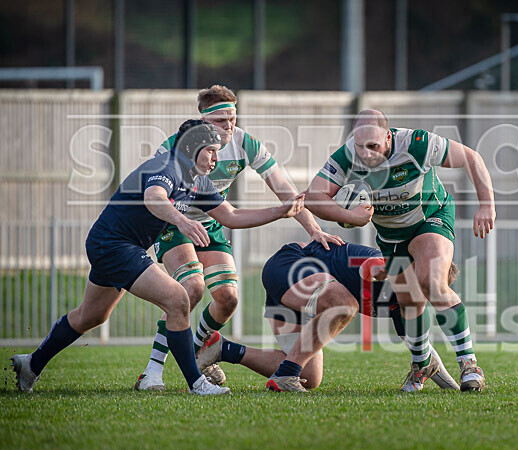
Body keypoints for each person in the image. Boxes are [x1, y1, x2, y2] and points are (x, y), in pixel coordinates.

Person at [11, 120, 304, 395]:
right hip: (114, 246)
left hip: (118, 246)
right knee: (178, 299)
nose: (216, 159)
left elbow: (231, 215)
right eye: (211, 151)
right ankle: (196, 383)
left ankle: (31, 364)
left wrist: (280, 211)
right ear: (191, 148)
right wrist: (183, 221)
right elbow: (154, 197)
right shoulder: (168, 166)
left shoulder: (198, 180)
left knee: (91, 315)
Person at [135, 85, 342, 391]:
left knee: (228, 298)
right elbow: (153, 193)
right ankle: (152, 372)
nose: (229, 125)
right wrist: (174, 221)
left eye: (232, 118)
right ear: (204, 121)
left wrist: (314, 229)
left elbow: (284, 189)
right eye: (221, 120)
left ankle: (198, 350)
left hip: (212, 222)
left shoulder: (245, 143)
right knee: (191, 289)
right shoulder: (175, 145)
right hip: (174, 223)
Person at [305, 109, 496, 392]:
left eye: (373, 146)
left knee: (431, 281)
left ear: (388, 137)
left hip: (430, 217)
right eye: (360, 146)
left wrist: (486, 204)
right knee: (408, 299)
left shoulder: (417, 143)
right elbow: (313, 197)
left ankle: (469, 364)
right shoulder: (347, 156)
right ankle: (422, 364)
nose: (366, 154)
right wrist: (349, 216)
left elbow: (472, 158)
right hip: (391, 235)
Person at [196, 241, 460, 392]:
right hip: (291, 265)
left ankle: (222, 349)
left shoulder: (408, 306)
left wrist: (454, 388)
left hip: (307, 290)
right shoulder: (394, 272)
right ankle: (285, 376)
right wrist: (384, 267)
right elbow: (374, 263)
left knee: (310, 377)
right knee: (345, 305)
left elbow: (423, 353)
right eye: (429, 286)